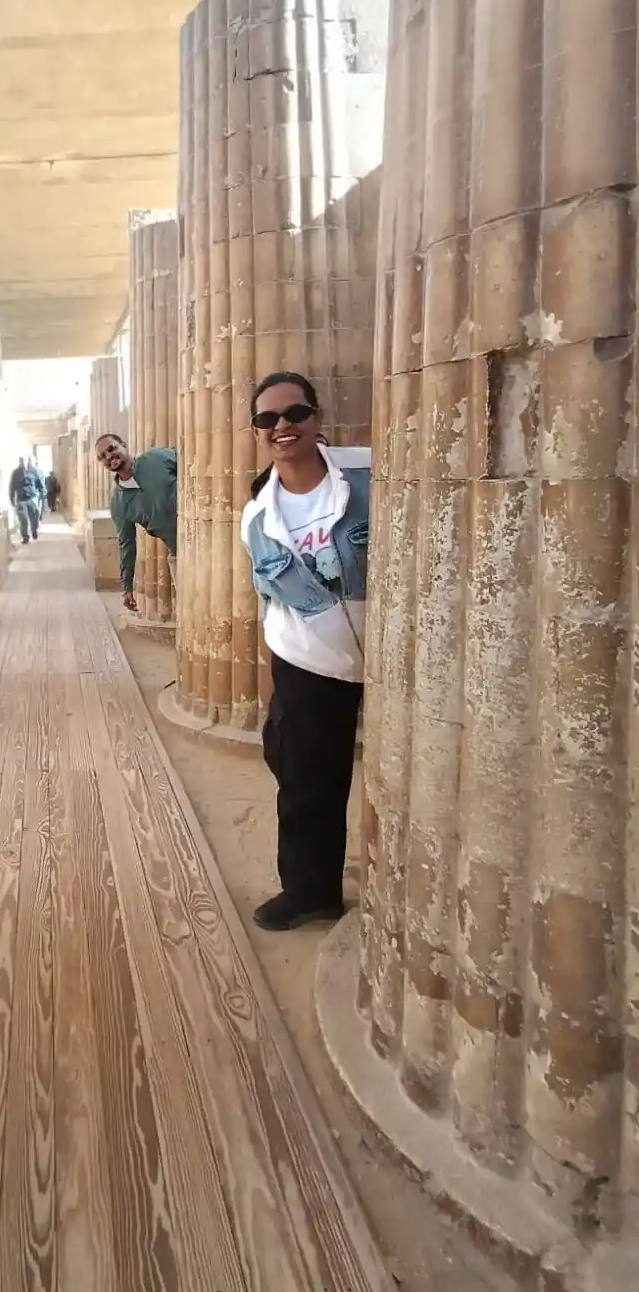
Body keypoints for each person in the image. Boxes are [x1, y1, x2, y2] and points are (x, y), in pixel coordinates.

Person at [239, 372, 371, 932]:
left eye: (294, 413)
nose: (283, 426)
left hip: (392, 650)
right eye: (268, 420)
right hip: (307, 658)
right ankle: (310, 890)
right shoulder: (256, 516)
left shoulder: (368, 472)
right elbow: (271, 595)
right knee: (303, 775)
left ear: (316, 418)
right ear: (257, 432)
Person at [95, 434, 177, 611]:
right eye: (102, 457)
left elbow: (192, 464)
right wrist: (127, 588)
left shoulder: (156, 458)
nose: (109, 457)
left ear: (123, 445)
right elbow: (127, 545)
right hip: (180, 554)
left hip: (210, 535)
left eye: (111, 449)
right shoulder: (118, 503)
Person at [9, 456, 45, 544]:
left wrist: (42, 492)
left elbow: (39, 484)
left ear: (28, 462)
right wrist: (12, 498)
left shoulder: (34, 471)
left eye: (25, 461)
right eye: (21, 461)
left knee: (35, 517)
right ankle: (25, 537)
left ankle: (34, 530)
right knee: (23, 519)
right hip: (21, 499)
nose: (23, 463)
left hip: (32, 498)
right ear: (19, 462)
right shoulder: (16, 473)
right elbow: (12, 486)